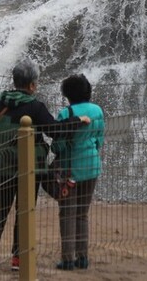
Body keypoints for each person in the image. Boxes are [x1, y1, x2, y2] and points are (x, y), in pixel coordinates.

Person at [0, 59, 90, 271]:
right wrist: (78, 121)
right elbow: (54, 131)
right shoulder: (34, 106)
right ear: (31, 85)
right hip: (29, 166)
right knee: (24, 209)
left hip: (1, 164)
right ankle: (18, 258)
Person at [54, 74, 105, 271]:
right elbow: (99, 138)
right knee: (82, 214)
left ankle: (67, 260)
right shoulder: (97, 110)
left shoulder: (66, 113)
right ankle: (83, 258)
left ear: (67, 95)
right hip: (91, 167)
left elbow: (59, 143)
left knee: (67, 213)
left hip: (70, 171)